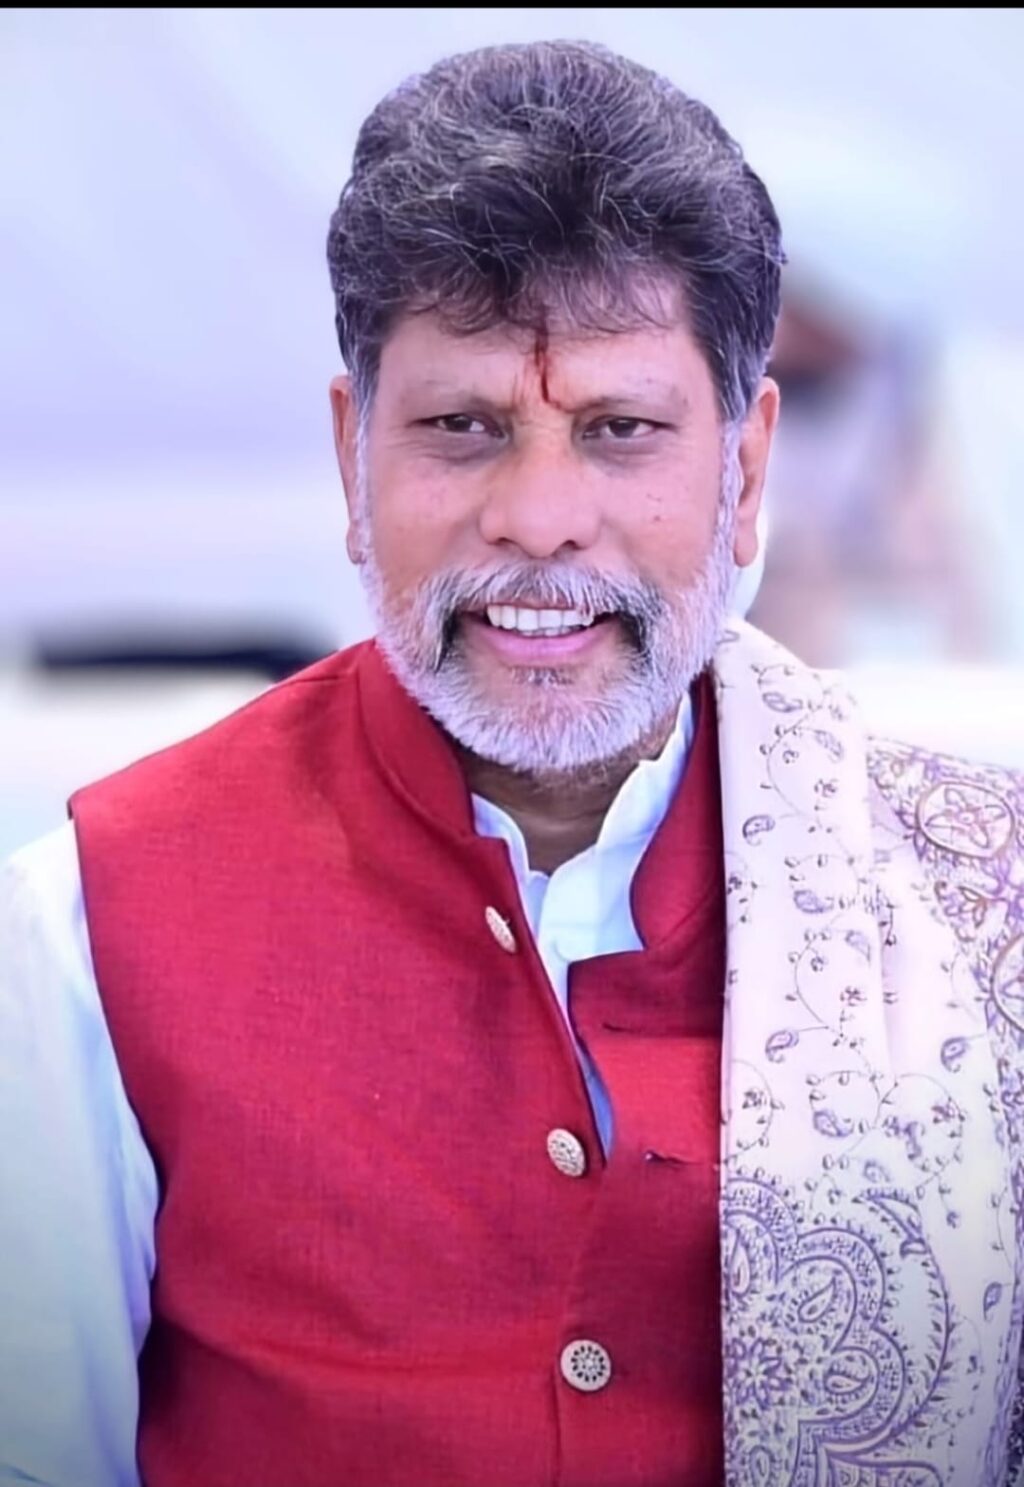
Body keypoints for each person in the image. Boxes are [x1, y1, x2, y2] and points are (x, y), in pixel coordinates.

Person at [2, 38, 1022, 1487]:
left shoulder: (977, 912)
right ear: (353, 456)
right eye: (463, 428)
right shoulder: (94, 927)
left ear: (743, 473)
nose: (539, 518)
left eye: (621, 432)